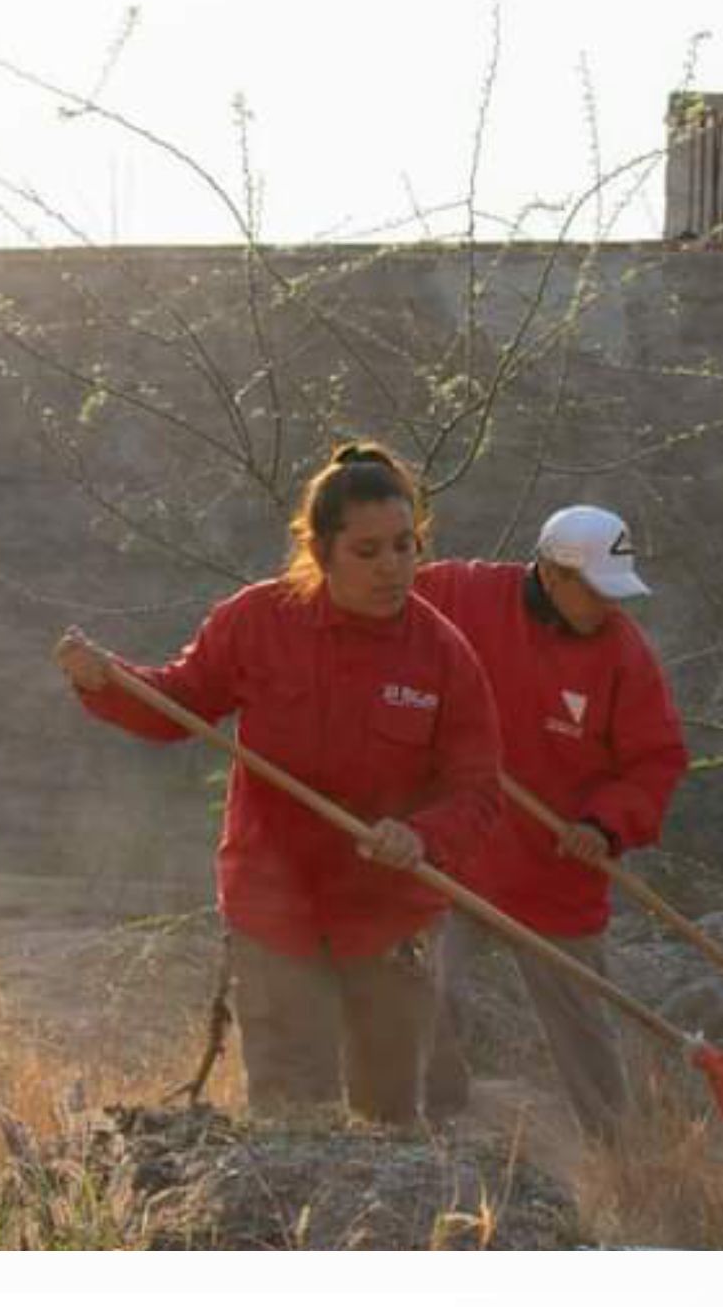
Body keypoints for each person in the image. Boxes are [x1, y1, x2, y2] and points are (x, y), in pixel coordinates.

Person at [54, 443, 502, 1125]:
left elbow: (477, 792)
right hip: (275, 908)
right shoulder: (257, 620)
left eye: (404, 546)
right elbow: (179, 703)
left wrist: (420, 836)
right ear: (320, 551)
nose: (392, 568)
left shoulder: (445, 655)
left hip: (390, 916)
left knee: (392, 1123)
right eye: (368, 551)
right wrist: (105, 680)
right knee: (296, 1115)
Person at [414, 507, 687, 1142]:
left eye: (614, 591)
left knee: (583, 1030)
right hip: (461, 850)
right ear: (551, 572)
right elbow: (381, 601)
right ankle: (429, 1132)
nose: (606, 606)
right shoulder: (467, 593)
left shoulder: (623, 653)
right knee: (434, 995)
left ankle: (624, 1159)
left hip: (558, 866)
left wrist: (604, 825)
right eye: (593, 590)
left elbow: (657, 761)